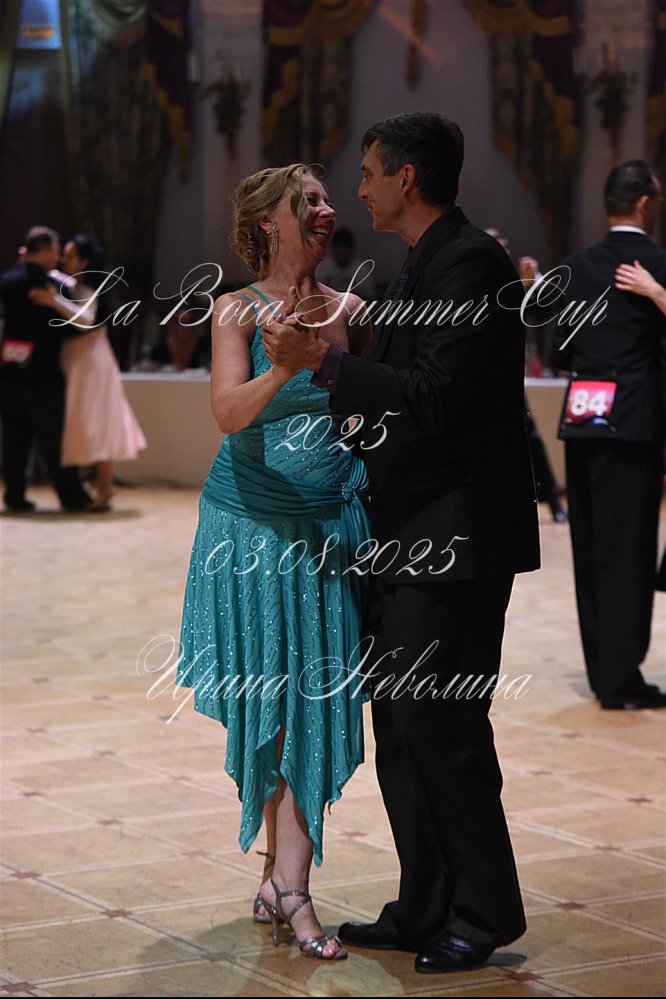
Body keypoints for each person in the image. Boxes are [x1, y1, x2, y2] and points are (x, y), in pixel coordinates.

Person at [262, 112, 541, 973]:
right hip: (409, 530)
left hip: (457, 537)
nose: (360, 190)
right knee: (402, 723)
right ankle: (425, 902)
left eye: (370, 173)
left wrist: (322, 364)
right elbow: (401, 393)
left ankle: (483, 909)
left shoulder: (472, 263)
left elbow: (434, 399)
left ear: (406, 179)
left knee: (442, 722)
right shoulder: (422, 263)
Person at [175, 164, 373, 961]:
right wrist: (286, 366)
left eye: (328, 197)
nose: (328, 209)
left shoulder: (350, 310)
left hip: (328, 530)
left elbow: (364, 411)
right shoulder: (235, 309)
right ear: (269, 221)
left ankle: (276, 876)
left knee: (311, 702)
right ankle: (293, 889)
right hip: (251, 531)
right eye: (310, 200)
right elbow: (228, 412)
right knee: (279, 707)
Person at [549, 159, 666, 710]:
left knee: (591, 547)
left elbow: (558, 350)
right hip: (634, 422)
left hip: (583, 416)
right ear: (644, 203)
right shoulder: (659, 264)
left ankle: (603, 671)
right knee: (630, 550)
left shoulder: (575, 266)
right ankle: (622, 677)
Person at [29, 235, 147, 510]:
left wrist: (53, 301)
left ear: (83, 261)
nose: (63, 260)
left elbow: (86, 320)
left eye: (69, 255)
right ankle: (99, 487)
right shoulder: (77, 284)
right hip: (81, 360)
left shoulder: (88, 288)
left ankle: (104, 488)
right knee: (89, 421)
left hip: (91, 363)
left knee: (97, 421)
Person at [0, 226, 93, 512]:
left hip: (9, 371)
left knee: (14, 437)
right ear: (45, 251)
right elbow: (76, 326)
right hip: (44, 372)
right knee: (53, 438)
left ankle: (14, 495)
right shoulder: (55, 285)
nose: (58, 257)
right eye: (55, 250)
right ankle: (71, 496)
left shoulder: (7, 281)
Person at [317, 227, 364, 292]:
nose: (342, 252)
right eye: (340, 252)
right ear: (333, 249)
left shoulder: (361, 270)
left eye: (344, 252)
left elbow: (368, 295)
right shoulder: (322, 268)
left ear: (351, 250)